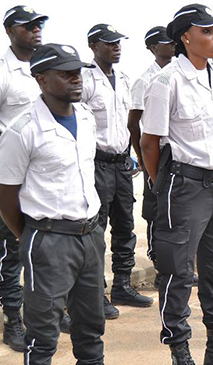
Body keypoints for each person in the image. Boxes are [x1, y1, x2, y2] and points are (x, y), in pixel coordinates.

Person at [140, 5, 213, 365]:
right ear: (185, 37)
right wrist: (167, 186)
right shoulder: (167, 82)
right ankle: (180, 351)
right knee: (176, 271)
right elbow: (149, 143)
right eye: (206, 31)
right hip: (186, 186)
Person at [0, 42, 105, 365]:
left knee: (90, 329)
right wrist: (32, 235)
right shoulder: (22, 130)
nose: (77, 80)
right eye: (66, 74)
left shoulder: (86, 119)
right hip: (49, 239)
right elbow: (6, 196)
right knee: (43, 335)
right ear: (41, 79)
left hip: (90, 235)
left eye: (79, 73)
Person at [82, 23, 153, 318]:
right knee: (95, 232)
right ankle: (96, 292)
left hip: (121, 164)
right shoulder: (85, 80)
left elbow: (131, 123)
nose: (116, 47)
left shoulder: (123, 80)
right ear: (93, 46)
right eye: (109, 43)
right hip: (96, 164)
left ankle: (122, 285)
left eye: (118, 42)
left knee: (124, 227)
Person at [0, 4, 47, 352]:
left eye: (38, 24)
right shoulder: (4, 73)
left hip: (45, 175)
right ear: (9, 31)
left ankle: (44, 312)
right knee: (12, 251)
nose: (35, 29)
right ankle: (13, 320)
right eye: (27, 25)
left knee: (46, 247)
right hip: (12, 176)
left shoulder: (47, 66)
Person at [128, 25, 176, 288]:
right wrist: (142, 156)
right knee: (156, 210)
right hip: (154, 152)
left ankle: (174, 263)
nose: (172, 45)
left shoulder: (178, 73)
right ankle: (159, 263)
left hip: (175, 154)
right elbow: (134, 123)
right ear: (152, 48)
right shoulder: (145, 80)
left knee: (175, 210)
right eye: (164, 42)